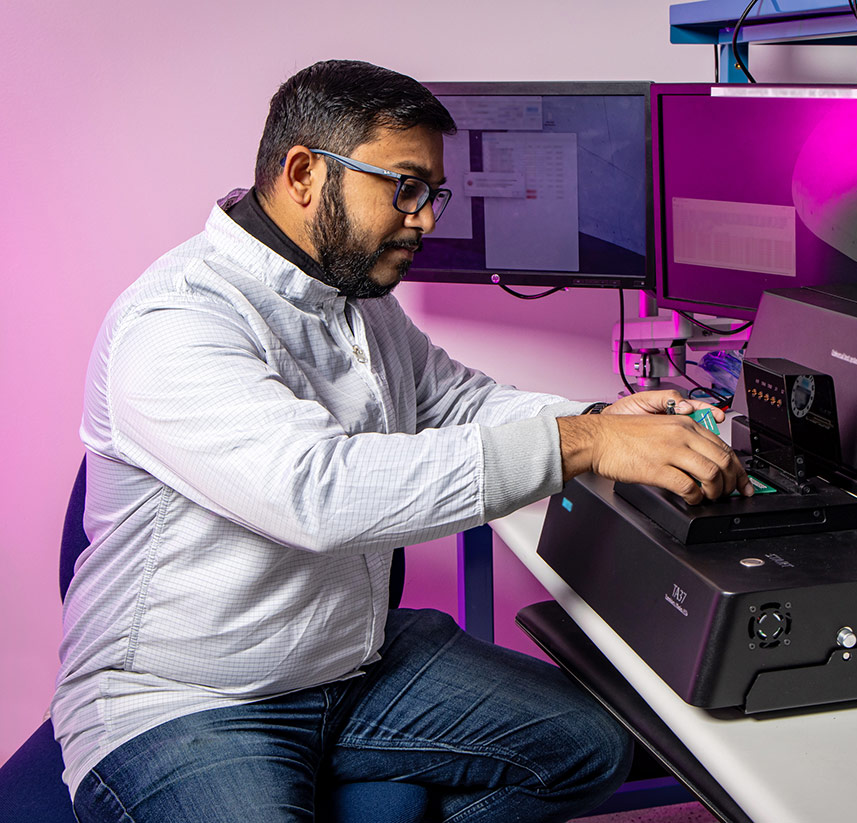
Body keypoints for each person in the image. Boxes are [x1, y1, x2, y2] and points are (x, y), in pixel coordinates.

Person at [53, 59, 752, 823]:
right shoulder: (177, 321)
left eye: (431, 194)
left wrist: (604, 418)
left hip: (351, 665)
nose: (425, 219)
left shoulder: (353, 299)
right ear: (304, 174)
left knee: (591, 747)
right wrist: (579, 443)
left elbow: (458, 401)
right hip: (186, 702)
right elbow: (315, 492)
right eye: (405, 187)